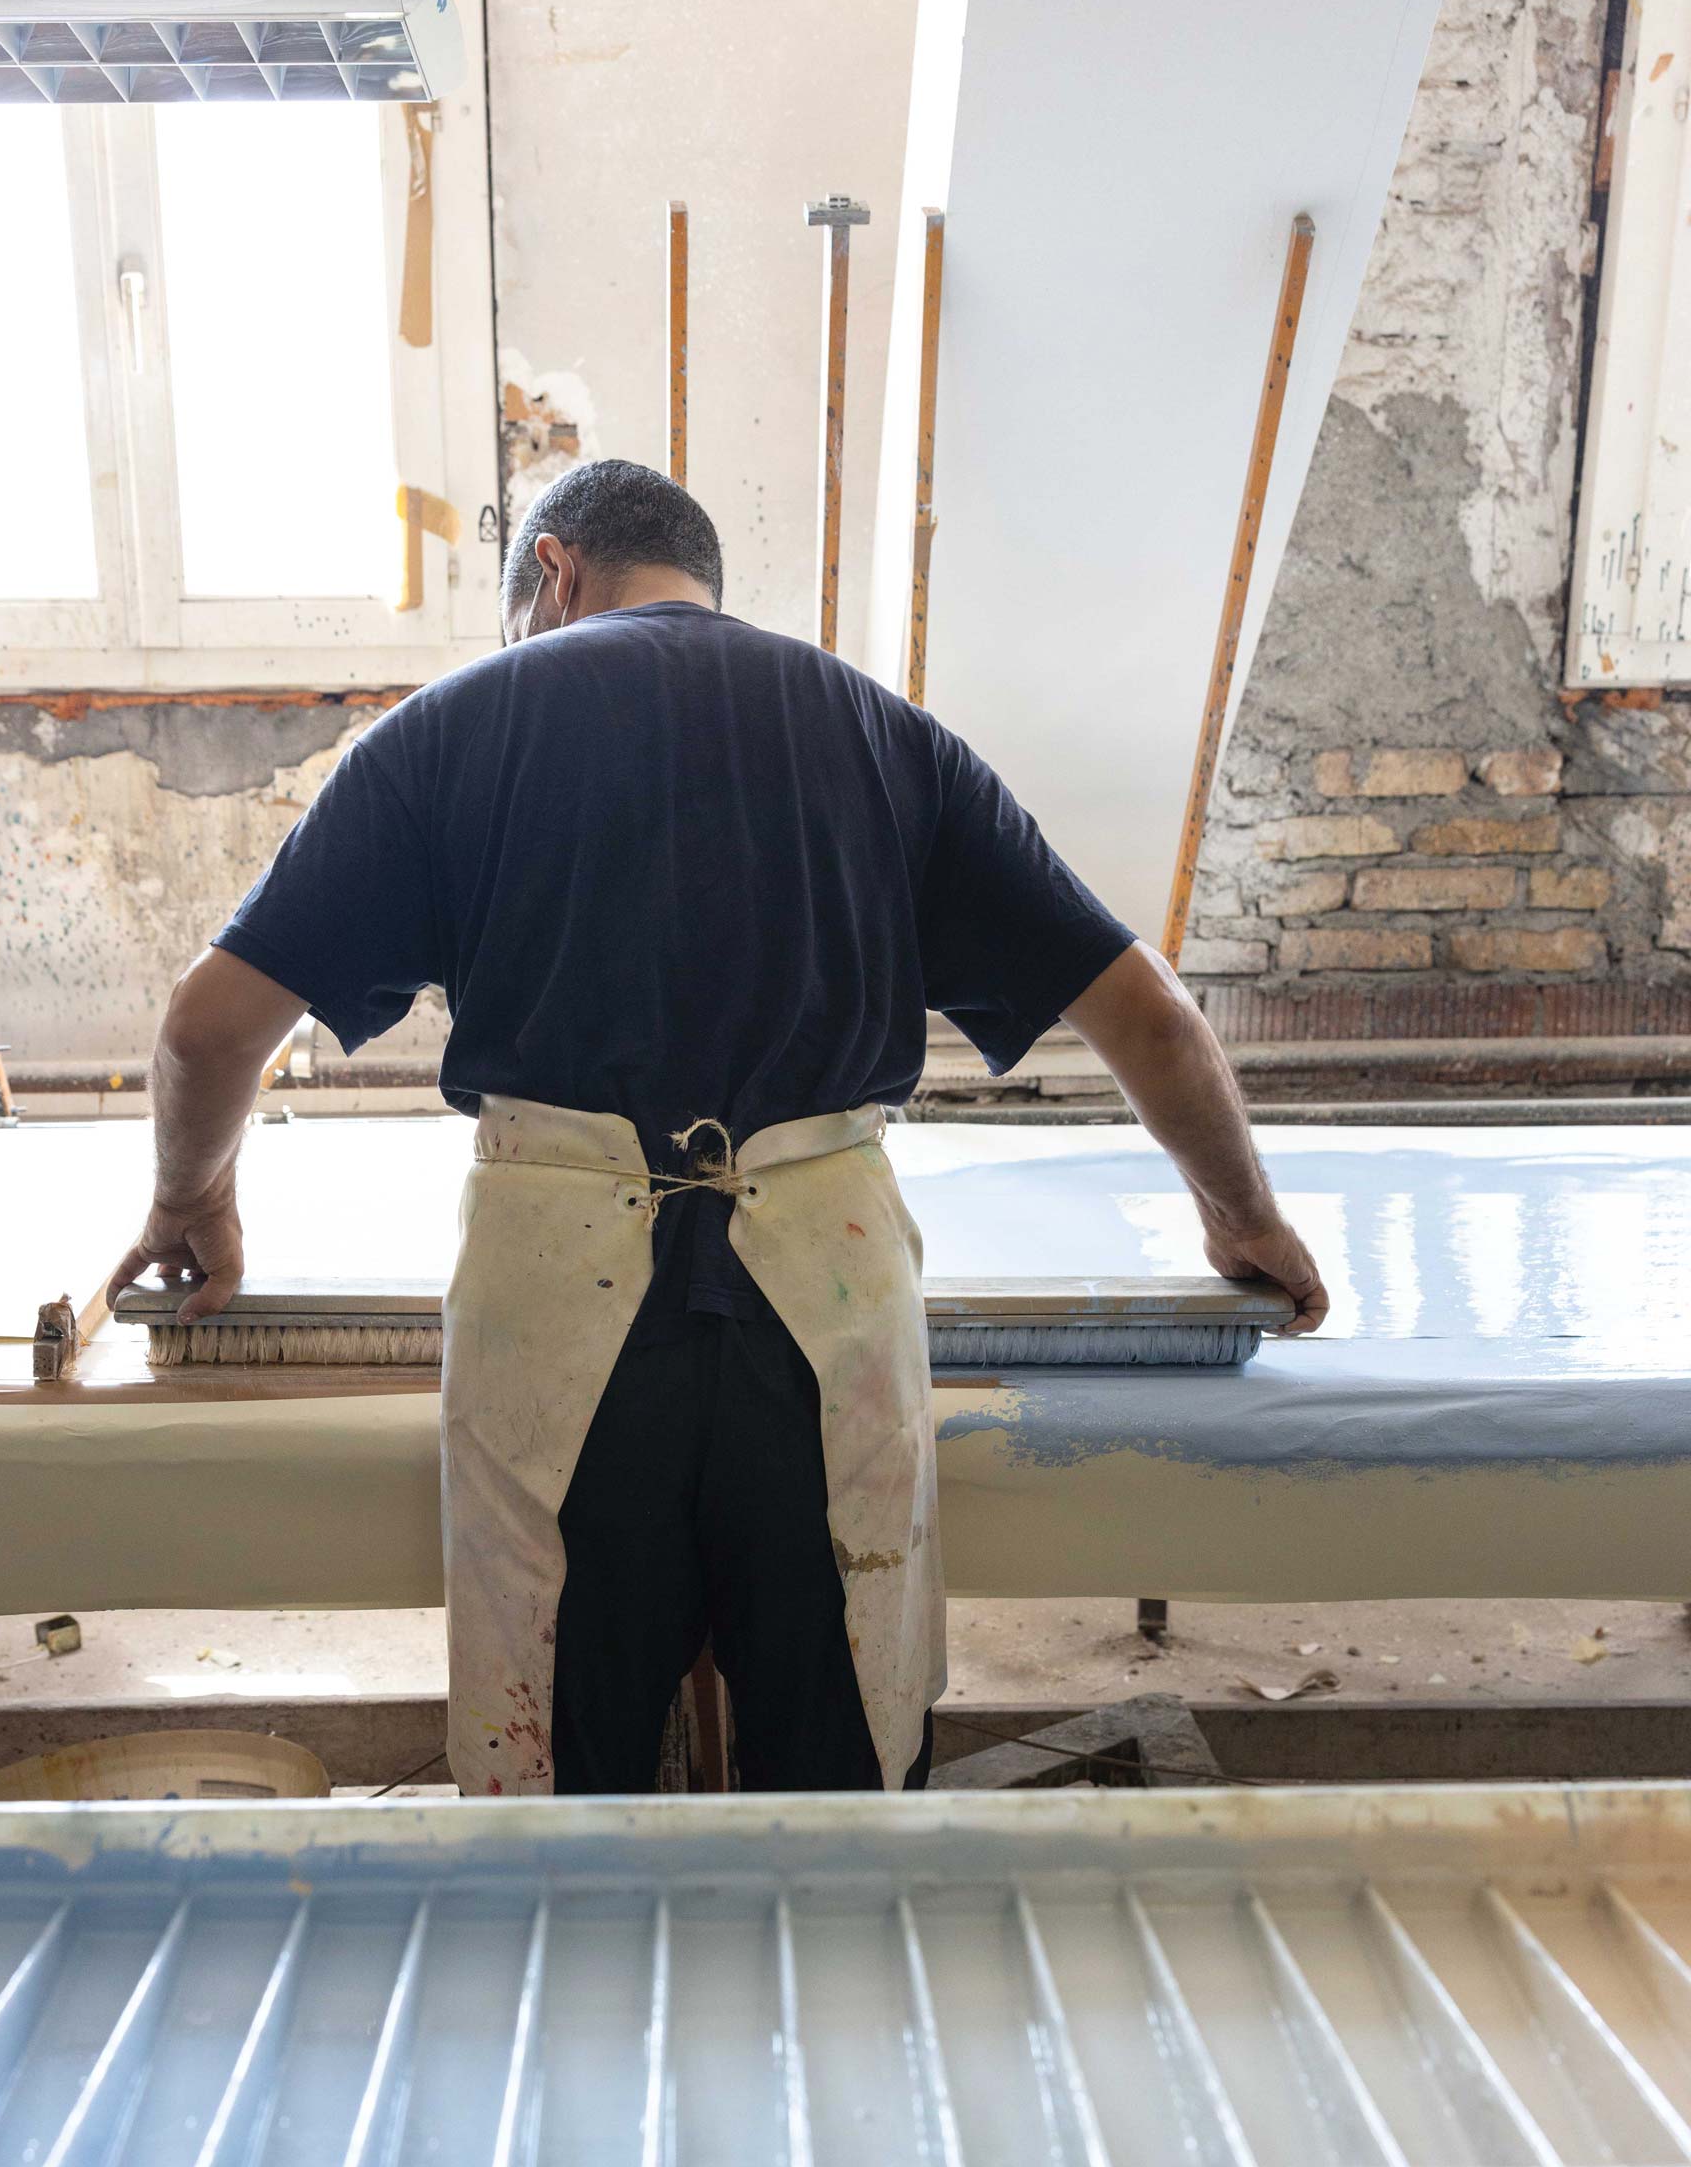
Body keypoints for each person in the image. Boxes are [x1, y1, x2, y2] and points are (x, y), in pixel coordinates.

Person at [111, 458, 1327, 1798]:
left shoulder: (452, 730)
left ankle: (590, 1991)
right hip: (828, 1301)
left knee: (567, 1770)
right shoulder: (884, 736)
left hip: (555, 1305)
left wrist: (191, 1201)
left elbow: (206, 1027)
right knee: (839, 1755)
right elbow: (1149, 1017)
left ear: (556, 573)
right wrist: (1244, 1219)